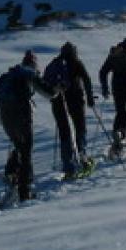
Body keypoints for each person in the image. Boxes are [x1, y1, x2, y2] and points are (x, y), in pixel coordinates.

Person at [0, 50, 59, 201]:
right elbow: (49, 92)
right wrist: (57, 90)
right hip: (21, 113)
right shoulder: (29, 73)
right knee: (26, 150)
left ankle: (11, 172)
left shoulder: (10, 74)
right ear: (34, 65)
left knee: (19, 145)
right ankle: (24, 191)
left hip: (5, 114)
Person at [43, 42, 95, 178]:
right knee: (80, 128)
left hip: (57, 102)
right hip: (76, 101)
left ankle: (68, 166)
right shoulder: (76, 62)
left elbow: (45, 83)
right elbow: (87, 79)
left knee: (65, 132)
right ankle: (82, 158)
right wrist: (90, 98)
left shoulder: (54, 64)